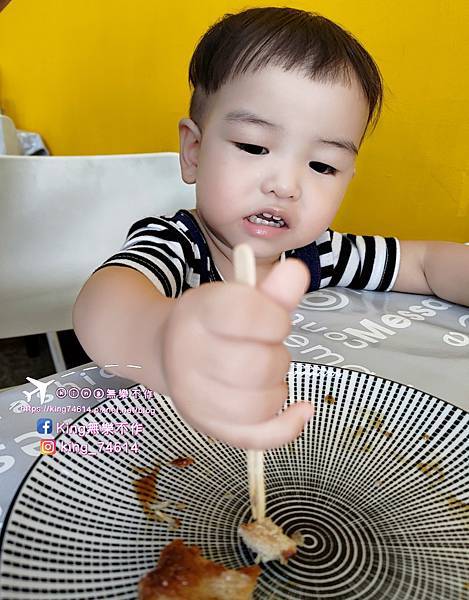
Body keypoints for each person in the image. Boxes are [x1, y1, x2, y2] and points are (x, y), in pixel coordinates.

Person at [73, 7, 469, 450]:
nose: (285, 186)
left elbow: (426, 263)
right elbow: (103, 303)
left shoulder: (317, 255)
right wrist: (171, 345)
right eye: (254, 146)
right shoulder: (178, 244)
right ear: (194, 152)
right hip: (160, 449)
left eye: (323, 165)